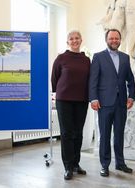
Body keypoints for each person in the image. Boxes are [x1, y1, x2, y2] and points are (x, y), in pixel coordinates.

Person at [89, 29, 135, 177]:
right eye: (111, 38)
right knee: (105, 135)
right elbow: (93, 80)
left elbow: (131, 80)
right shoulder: (98, 57)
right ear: (106, 40)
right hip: (104, 103)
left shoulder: (125, 57)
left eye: (116, 38)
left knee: (119, 135)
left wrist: (131, 96)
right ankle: (104, 165)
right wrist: (94, 98)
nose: (114, 40)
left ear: (120, 40)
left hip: (121, 103)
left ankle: (120, 163)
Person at [51, 30, 90, 180]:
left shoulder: (86, 60)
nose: (74, 41)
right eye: (71, 39)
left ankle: (75, 164)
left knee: (78, 133)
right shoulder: (61, 58)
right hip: (64, 100)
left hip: (81, 100)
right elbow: (54, 78)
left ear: (81, 40)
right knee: (67, 133)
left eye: (77, 38)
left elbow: (89, 79)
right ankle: (67, 166)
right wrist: (59, 92)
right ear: (68, 42)